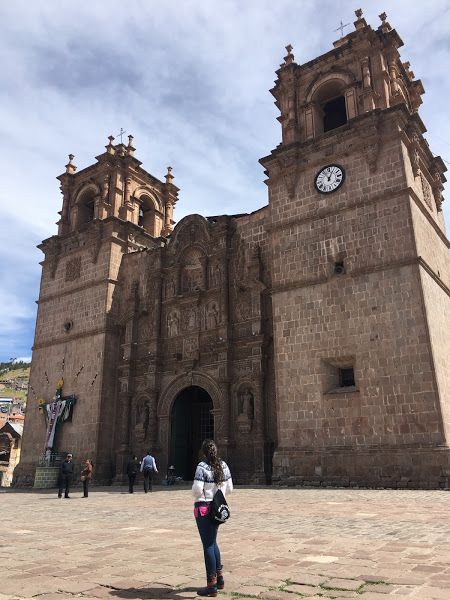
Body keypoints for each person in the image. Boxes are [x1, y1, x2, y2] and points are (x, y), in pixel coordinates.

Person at [192, 439, 233, 597]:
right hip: (217, 510)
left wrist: (204, 493)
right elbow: (230, 488)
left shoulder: (202, 467)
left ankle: (211, 585)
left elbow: (197, 490)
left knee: (208, 545)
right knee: (213, 542)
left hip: (203, 509)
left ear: (203, 452)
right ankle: (220, 578)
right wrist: (218, 494)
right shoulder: (224, 466)